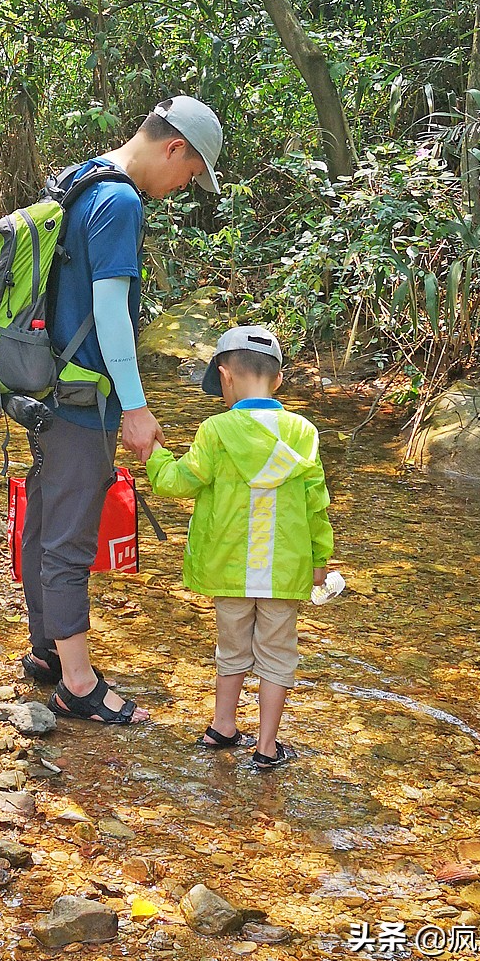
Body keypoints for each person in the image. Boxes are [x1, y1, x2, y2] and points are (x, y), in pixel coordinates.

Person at [19, 96, 224, 726]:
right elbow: (110, 313)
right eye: (190, 174)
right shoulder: (123, 201)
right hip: (83, 399)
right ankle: (77, 684)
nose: (183, 187)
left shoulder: (82, 177)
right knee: (71, 536)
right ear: (173, 148)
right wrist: (135, 409)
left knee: (46, 516)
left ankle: (48, 652)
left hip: (46, 385)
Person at [138, 324, 334, 768]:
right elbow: (316, 504)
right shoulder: (302, 433)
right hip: (284, 572)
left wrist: (153, 453)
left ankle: (222, 727)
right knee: (278, 656)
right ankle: (266, 748)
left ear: (225, 376)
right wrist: (319, 560)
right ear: (278, 380)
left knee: (231, 651)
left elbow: (178, 482)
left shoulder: (216, 430)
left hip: (229, 568)